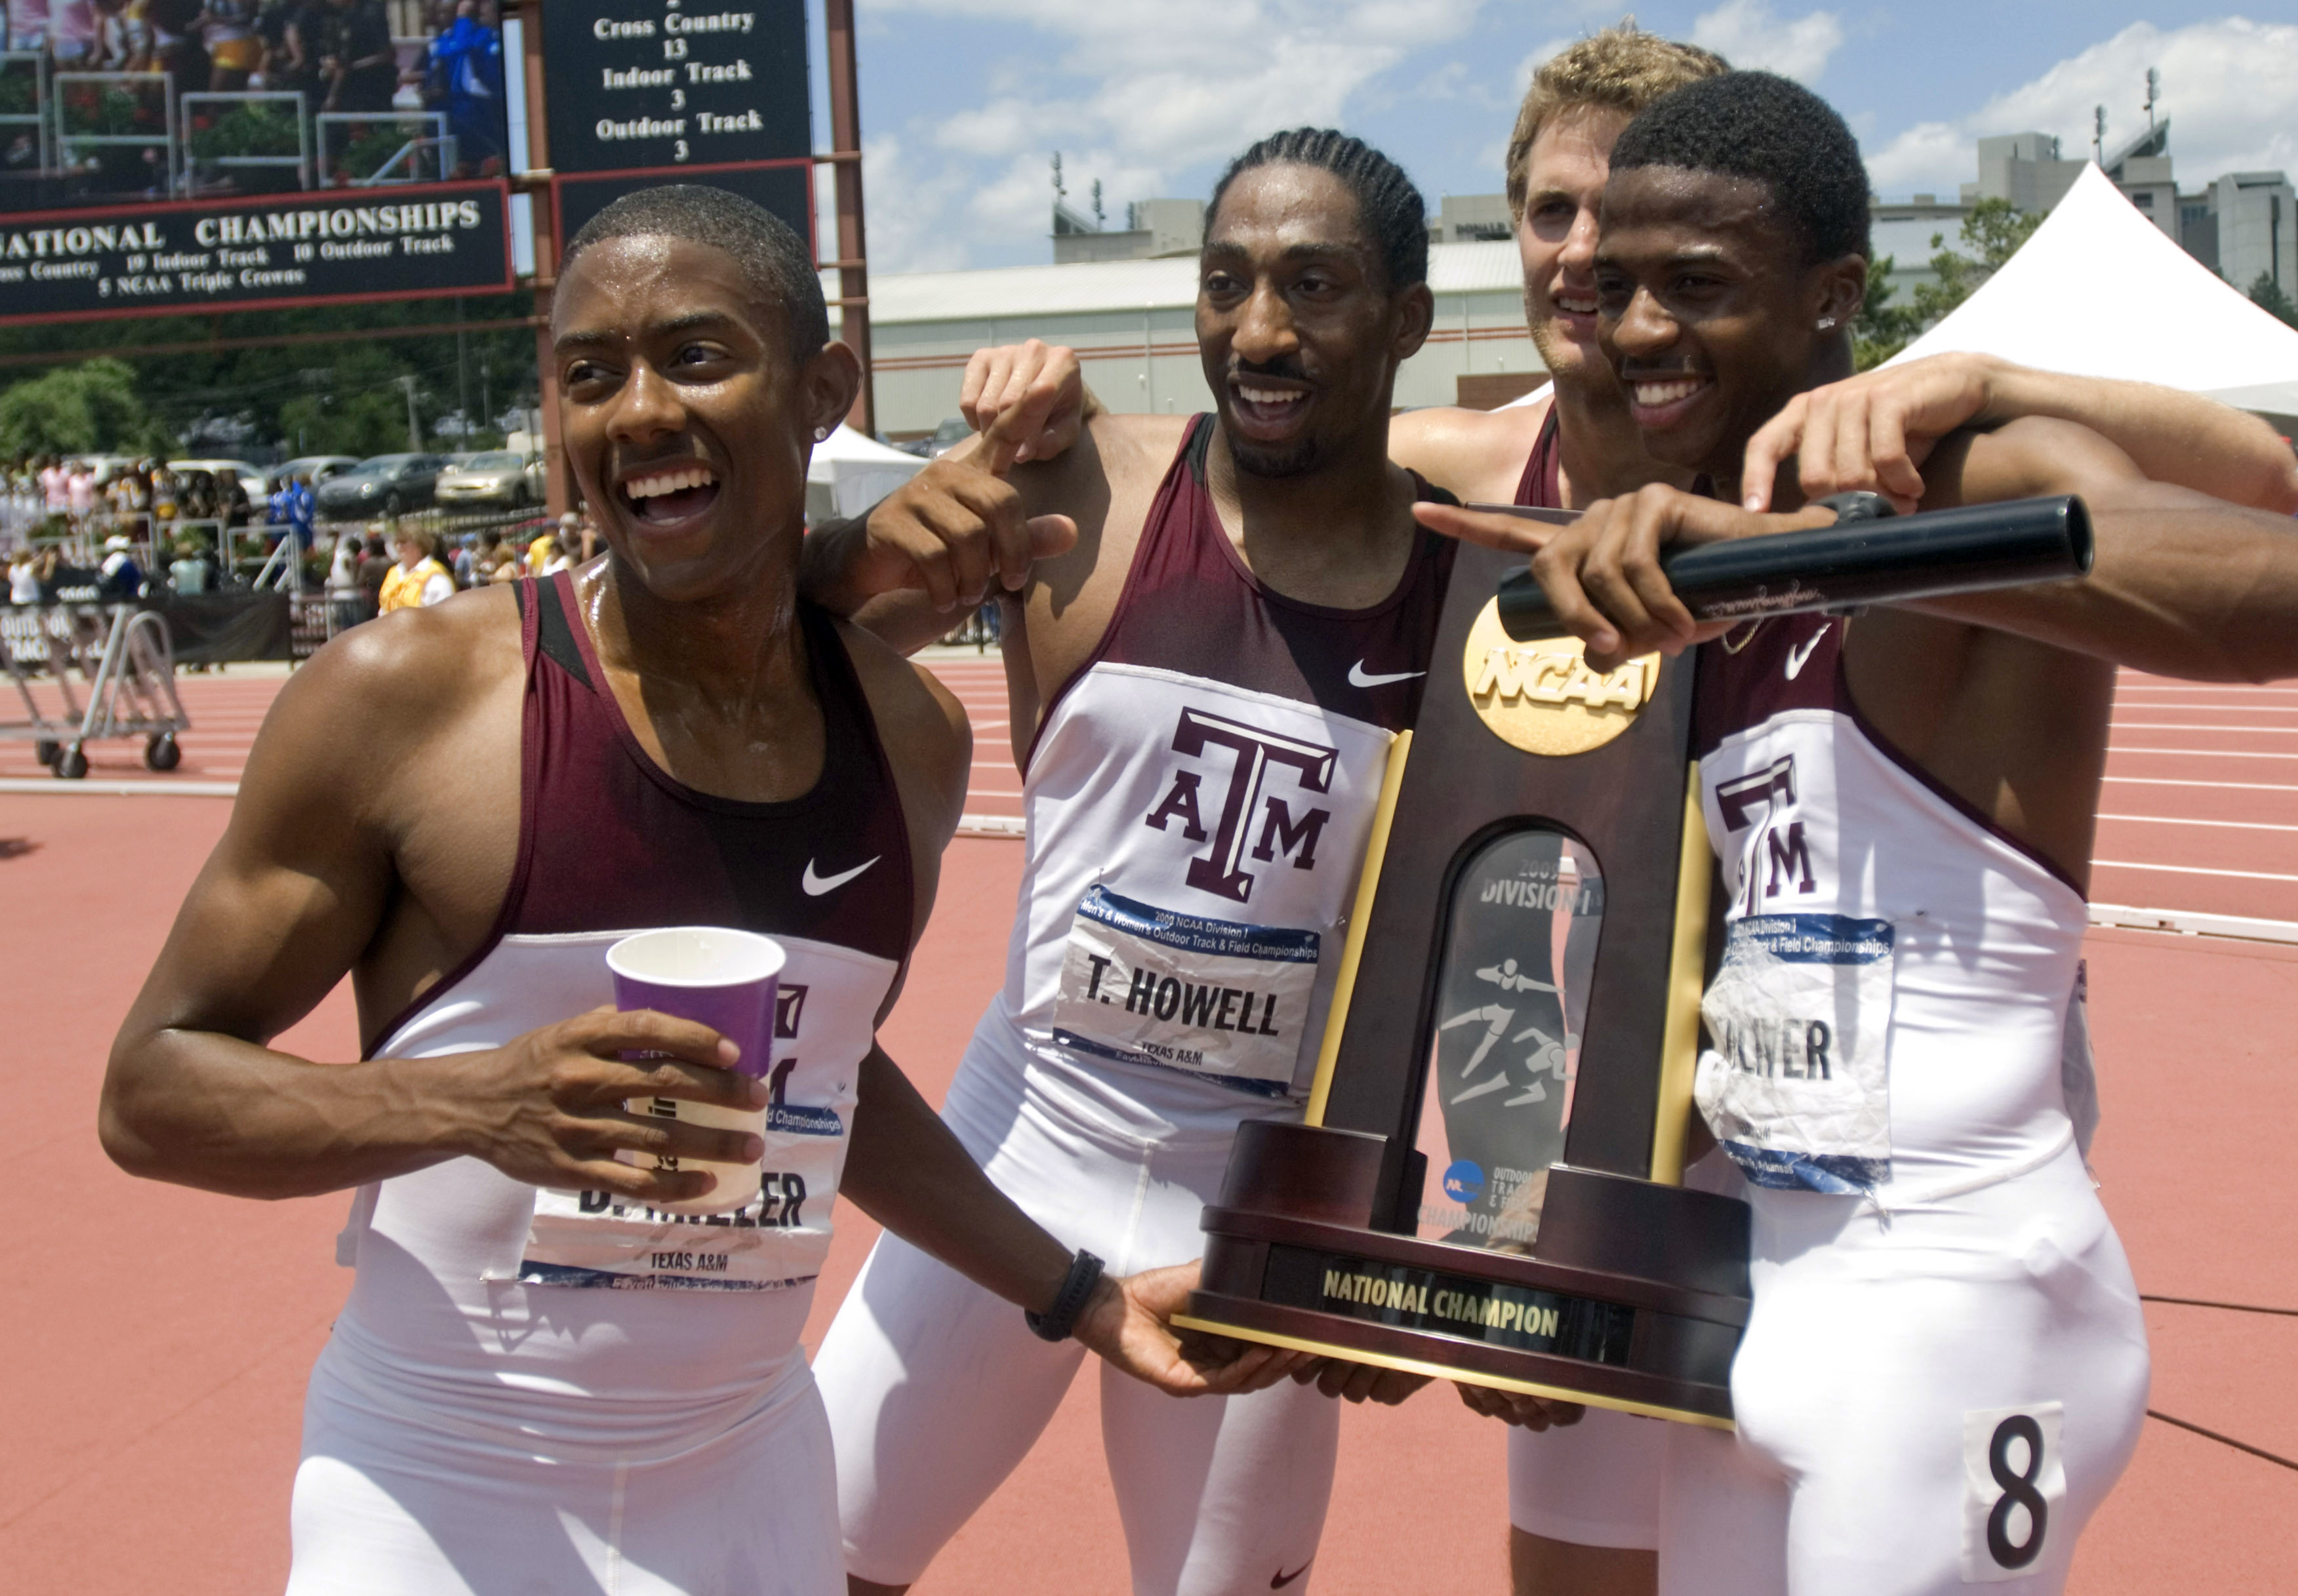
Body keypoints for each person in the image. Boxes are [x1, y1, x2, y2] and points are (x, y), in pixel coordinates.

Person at [98, 184, 1289, 1596]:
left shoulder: (906, 737)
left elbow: (821, 1078)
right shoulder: (408, 701)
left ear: (822, 391)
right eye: (588, 376)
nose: (638, 411)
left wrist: (1078, 1291)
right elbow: (150, 1090)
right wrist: (473, 1103)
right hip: (441, 1482)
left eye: (697, 356)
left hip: (748, 1486)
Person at [1418, 70, 2298, 1596]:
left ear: (1834, 297)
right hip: (1763, 1286)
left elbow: (2265, 582)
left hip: (1956, 1297)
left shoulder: (1955, 475)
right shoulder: (1680, 544)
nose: (1633, 328)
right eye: (1614, 286)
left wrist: (1969, 404)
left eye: (1695, 286)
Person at [802, 128, 1462, 1596]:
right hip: (1020, 1141)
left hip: (1261, 1209)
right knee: (813, 1559)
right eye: (1226, 281)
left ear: (1409, 320)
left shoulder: (1464, 584)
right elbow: (773, 657)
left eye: (1315, 284)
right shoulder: (1081, 486)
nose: (1262, 328)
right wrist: (879, 529)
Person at [376, 527, 453, 612]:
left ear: (420, 545)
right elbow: (383, 610)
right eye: (397, 543)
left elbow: (442, 615)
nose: (399, 547)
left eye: (404, 542)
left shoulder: (435, 576)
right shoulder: (394, 572)